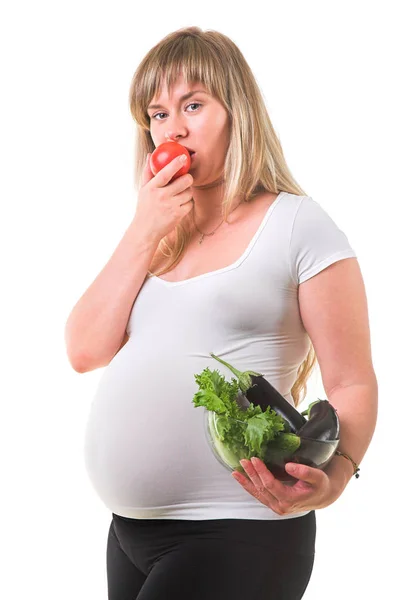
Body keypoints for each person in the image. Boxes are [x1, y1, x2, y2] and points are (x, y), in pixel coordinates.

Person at [65, 26, 378, 600]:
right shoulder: (157, 239)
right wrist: (143, 228)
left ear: (237, 112)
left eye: (192, 105)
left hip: (238, 532)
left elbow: (352, 379)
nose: (173, 129)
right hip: (130, 533)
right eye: (157, 114)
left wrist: (334, 479)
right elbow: (83, 350)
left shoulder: (296, 225)